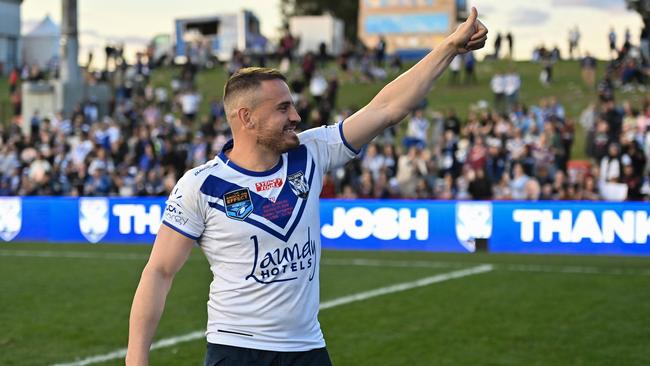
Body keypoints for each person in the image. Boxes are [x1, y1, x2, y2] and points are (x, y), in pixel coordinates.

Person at [125, 8, 487, 366]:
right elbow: (159, 272)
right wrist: (136, 358)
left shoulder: (311, 152)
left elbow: (388, 108)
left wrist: (450, 47)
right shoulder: (201, 186)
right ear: (246, 118)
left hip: (307, 348)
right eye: (283, 108)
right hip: (235, 350)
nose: (296, 117)